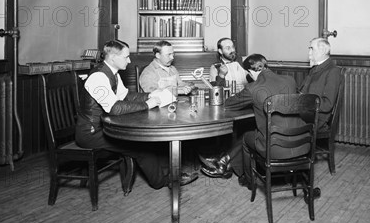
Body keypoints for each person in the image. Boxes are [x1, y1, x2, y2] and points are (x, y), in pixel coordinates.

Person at [75, 40, 187, 189]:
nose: (129, 60)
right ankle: (161, 181)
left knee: (145, 141)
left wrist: (150, 95)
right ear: (113, 57)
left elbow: (126, 96)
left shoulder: (113, 74)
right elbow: (114, 108)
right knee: (141, 146)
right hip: (91, 133)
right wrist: (147, 104)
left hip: (104, 127)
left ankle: (163, 174)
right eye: (126, 57)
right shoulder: (98, 76)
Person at [200, 54, 298, 187]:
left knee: (246, 136)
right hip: (300, 142)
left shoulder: (252, 89)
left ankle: (248, 179)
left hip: (275, 147)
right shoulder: (290, 80)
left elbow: (228, 104)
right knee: (252, 128)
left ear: (250, 72)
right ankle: (225, 161)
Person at [139, 40, 199, 185]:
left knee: (194, 120)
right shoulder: (149, 72)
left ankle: (186, 165)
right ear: (157, 55)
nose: (172, 57)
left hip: (173, 110)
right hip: (157, 115)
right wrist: (178, 90)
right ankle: (172, 171)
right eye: (169, 54)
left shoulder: (172, 69)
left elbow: (181, 84)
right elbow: (150, 93)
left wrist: (188, 86)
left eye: (173, 53)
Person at [298, 37, 341, 134]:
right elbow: (302, 91)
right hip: (306, 113)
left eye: (311, 48)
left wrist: (302, 101)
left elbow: (327, 104)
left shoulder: (333, 71)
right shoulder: (315, 68)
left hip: (316, 118)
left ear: (323, 51)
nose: (309, 52)